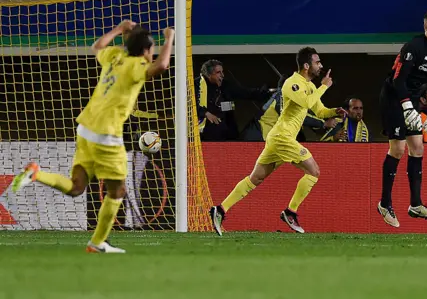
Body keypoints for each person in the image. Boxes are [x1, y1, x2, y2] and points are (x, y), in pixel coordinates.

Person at [10, 20, 174, 253]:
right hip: (106, 135)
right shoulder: (135, 64)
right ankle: (97, 243)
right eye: (152, 49)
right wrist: (169, 38)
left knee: (77, 187)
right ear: (145, 51)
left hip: (85, 128)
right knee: (117, 191)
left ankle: (36, 174)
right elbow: (162, 66)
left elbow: (97, 46)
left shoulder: (114, 56)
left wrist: (118, 29)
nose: (153, 53)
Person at [209, 47, 346, 235]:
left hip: (278, 138)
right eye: (317, 62)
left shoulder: (310, 87)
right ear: (306, 65)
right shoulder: (292, 83)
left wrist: (334, 111)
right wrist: (324, 86)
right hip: (283, 137)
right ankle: (290, 212)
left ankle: (220, 209)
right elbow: (305, 104)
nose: (320, 65)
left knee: (255, 179)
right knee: (313, 172)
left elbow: (320, 111)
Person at [377, 9, 427, 228]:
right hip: (393, 99)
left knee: (417, 147)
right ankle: (384, 203)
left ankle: (415, 204)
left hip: (413, 100)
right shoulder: (412, 47)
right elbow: (398, 81)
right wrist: (408, 108)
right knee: (397, 149)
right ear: (426, 27)